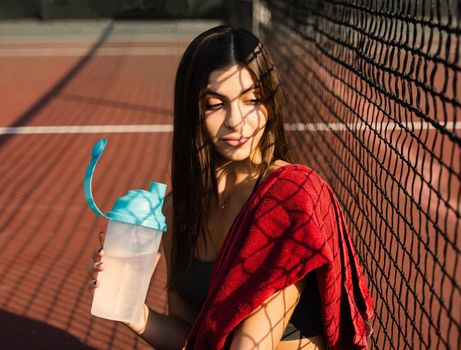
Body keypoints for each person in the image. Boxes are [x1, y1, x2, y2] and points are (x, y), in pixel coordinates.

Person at [88, 25, 374, 350]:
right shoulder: (178, 208)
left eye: (252, 99)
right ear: (192, 111)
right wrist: (134, 313)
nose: (236, 121)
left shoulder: (292, 195)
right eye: (214, 104)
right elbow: (191, 337)